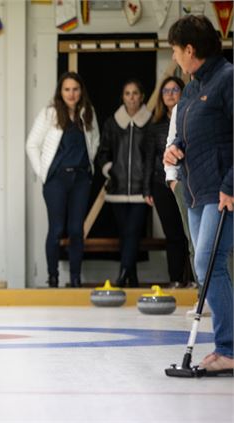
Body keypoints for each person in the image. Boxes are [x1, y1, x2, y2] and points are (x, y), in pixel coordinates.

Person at [163, 15, 233, 374]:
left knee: (208, 264)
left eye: (176, 50)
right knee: (204, 265)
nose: (174, 57)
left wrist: (231, 185)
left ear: (190, 49)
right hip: (195, 190)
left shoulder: (227, 79)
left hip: (222, 193)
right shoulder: (192, 87)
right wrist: (174, 149)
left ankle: (228, 348)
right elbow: (186, 134)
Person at [25, 72, 100, 288]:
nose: (71, 93)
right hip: (56, 179)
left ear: (81, 91)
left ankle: (75, 279)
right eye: (67, 89)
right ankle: (54, 278)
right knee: (56, 229)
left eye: (75, 89)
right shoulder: (50, 113)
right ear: (60, 91)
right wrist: (43, 172)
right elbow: (31, 144)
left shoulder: (88, 113)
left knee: (77, 230)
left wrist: (87, 166)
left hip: (80, 179)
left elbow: (95, 141)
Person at [96, 79, 151, 288]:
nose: (131, 97)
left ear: (142, 96)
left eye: (135, 93)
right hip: (117, 189)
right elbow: (102, 152)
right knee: (125, 234)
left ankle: (122, 274)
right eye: (127, 93)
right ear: (122, 97)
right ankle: (133, 277)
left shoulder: (149, 122)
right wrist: (111, 170)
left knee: (133, 232)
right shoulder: (112, 123)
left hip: (140, 190)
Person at [143, 76, 193, 286]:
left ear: (183, 93)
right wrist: (146, 189)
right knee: (172, 233)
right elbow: (148, 159)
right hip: (161, 184)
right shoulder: (154, 126)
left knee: (190, 234)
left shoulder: (190, 118)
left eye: (175, 90)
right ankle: (175, 279)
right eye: (166, 91)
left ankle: (193, 281)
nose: (170, 94)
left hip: (188, 183)